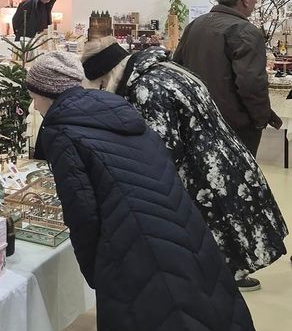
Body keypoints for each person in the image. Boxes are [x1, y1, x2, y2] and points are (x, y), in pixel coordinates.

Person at [26, 52, 261, 331]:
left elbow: (82, 211)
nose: (32, 104)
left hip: (133, 252)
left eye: (32, 95)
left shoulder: (61, 130)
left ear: (44, 93)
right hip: (182, 237)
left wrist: (96, 270)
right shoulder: (117, 110)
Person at [82, 38, 287, 297]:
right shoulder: (164, 69)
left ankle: (221, 279)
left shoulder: (147, 86)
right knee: (224, 223)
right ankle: (225, 274)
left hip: (203, 167)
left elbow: (162, 146)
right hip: (222, 155)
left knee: (213, 224)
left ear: (107, 75)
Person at [173, 0, 281, 156]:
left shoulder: (195, 25)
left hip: (197, 119)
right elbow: (251, 83)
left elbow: (176, 68)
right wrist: (261, 118)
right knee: (239, 178)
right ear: (246, 0)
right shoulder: (245, 31)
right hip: (234, 125)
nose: (256, 1)